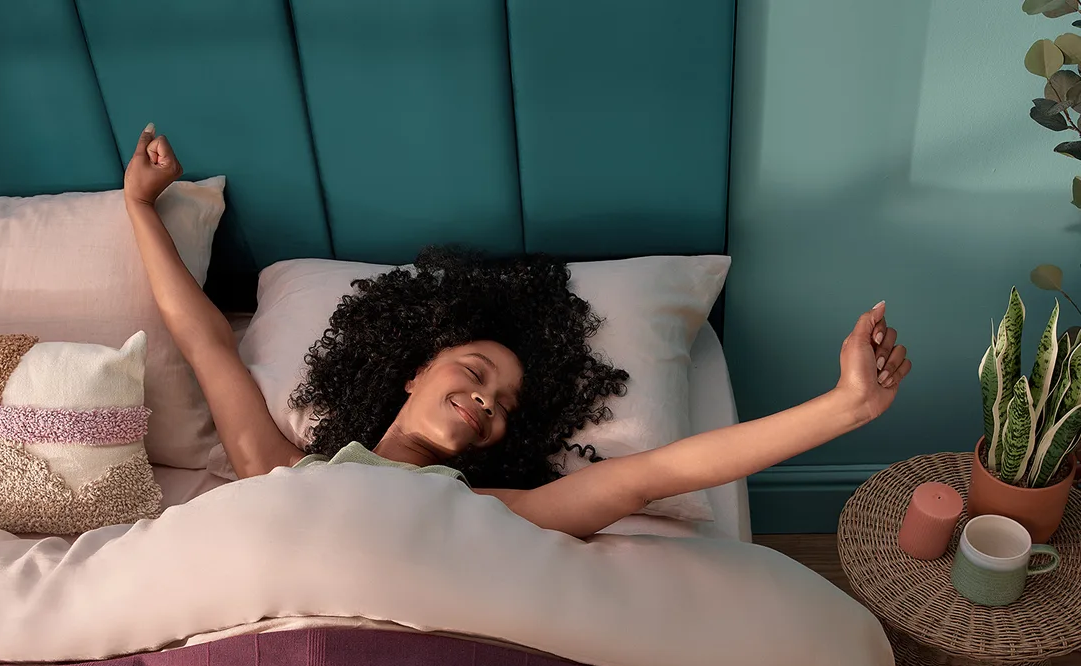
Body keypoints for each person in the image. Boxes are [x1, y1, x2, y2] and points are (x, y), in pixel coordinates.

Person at [124, 125, 912, 539]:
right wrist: (139, 209)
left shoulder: (495, 512)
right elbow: (205, 341)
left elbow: (655, 474)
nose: (485, 401)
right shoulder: (277, 468)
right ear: (412, 372)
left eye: (501, 405)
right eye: (474, 372)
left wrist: (844, 408)